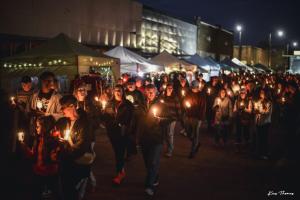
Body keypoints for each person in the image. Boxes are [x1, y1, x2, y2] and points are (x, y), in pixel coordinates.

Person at [57, 95, 94, 200]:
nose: (61, 110)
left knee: (73, 189)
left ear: (72, 106)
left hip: (77, 163)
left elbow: (81, 146)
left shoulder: (85, 123)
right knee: (66, 187)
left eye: (63, 107)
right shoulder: (64, 121)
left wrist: (66, 146)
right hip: (66, 161)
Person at [20, 115, 62, 200]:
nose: (36, 128)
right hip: (38, 172)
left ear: (45, 127)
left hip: (49, 173)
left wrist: (55, 154)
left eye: (38, 126)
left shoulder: (53, 141)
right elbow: (33, 155)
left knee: (53, 194)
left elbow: (55, 159)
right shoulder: (38, 139)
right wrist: (24, 146)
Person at [100, 85, 134, 185]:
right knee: (117, 151)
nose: (118, 93)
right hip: (112, 133)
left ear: (123, 92)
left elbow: (132, 120)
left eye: (120, 91)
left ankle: (120, 173)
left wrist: (127, 128)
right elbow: (104, 119)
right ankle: (121, 170)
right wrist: (102, 112)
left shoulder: (128, 105)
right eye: (116, 91)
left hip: (123, 133)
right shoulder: (109, 104)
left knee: (120, 152)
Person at [139, 84, 164, 196]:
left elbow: (171, 118)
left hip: (156, 138)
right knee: (148, 162)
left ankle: (149, 186)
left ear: (155, 92)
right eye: (147, 92)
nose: (149, 95)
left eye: (151, 92)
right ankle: (155, 176)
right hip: (144, 138)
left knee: (153, 162)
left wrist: (161, 120)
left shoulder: (161, 104)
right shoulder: (142, 103)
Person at [183, 80, 206, 158]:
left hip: (197, 117)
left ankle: (192, 151)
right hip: (189, 115)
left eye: (194, 88)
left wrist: (200, 118)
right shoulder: (189, 93)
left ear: (197, 87)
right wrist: (186, 106)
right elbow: (185, 102)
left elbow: (203, 107)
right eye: (192, 88)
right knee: (188, 132)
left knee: (195, 134)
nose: (193, 89)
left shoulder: (201, 95)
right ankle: (196, 143)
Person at [158, 82, 182, 157]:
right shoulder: (162, 95)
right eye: (168, 88)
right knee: (164, 133)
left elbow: (178, 107)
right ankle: (164, 147)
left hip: (172, 118)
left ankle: (170, 150)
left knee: (169, 134)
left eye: (171, 88)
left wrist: (179, 116)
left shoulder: (175, 97)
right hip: (163, 117)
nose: (169, 89)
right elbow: (158, 103)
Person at [125, 78, 145, 160]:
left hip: (137, 116)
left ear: (135, 85)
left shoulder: (139, 93)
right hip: (127, 116)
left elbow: (143, 103)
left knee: (135, 133)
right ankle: (129, 152)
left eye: (132, 84)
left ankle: (135, 147)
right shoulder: (125, 93)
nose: (130, 85)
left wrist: (138, 105)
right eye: (129, 84)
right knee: (128, 134)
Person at [253, 89, 272, 160]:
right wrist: (255, 110)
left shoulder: (269, 103)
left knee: (264, 139)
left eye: (263, 93)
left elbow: (268, 113)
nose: (261, 94)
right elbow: (256, 109)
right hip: (259, 122)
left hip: (265, 123)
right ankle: (259, 152)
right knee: (259, 138)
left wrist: (260, 112)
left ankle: (265, 153)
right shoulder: (258, 101)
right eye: (260, 92)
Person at [233, 88, 253, 153]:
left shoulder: (248, 101)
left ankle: (246, 146)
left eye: (243, 93)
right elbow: (234, 110)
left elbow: (250, 111)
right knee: (238, 133)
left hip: (246, 119)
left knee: (246, 132)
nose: (242, 94)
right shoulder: (237, 101)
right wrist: (237, 111)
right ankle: (238, 147)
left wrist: (244, 109)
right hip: (238, 119)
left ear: (246, 94)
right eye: (241, 93)